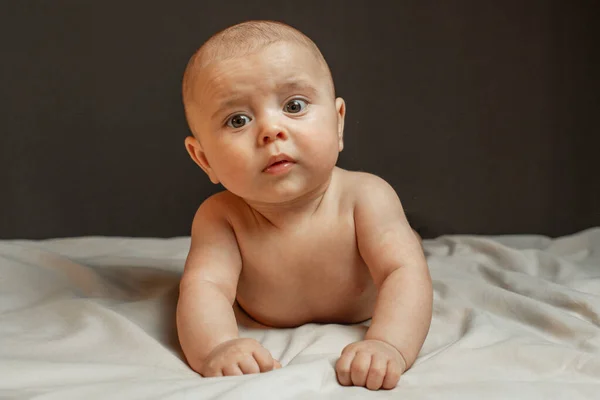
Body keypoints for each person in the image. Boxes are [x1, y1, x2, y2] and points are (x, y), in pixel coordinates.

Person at [176, 20, 432, 391]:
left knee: (408, 250)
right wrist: (218, 346)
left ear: (338, 123)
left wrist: (389, 343)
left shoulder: (365, 197)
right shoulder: (222, 218)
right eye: (238, 120)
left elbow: (402, 273)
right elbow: (205, 288)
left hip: (371, 308)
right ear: (204, 160)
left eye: (294, 105)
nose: (271, 130)